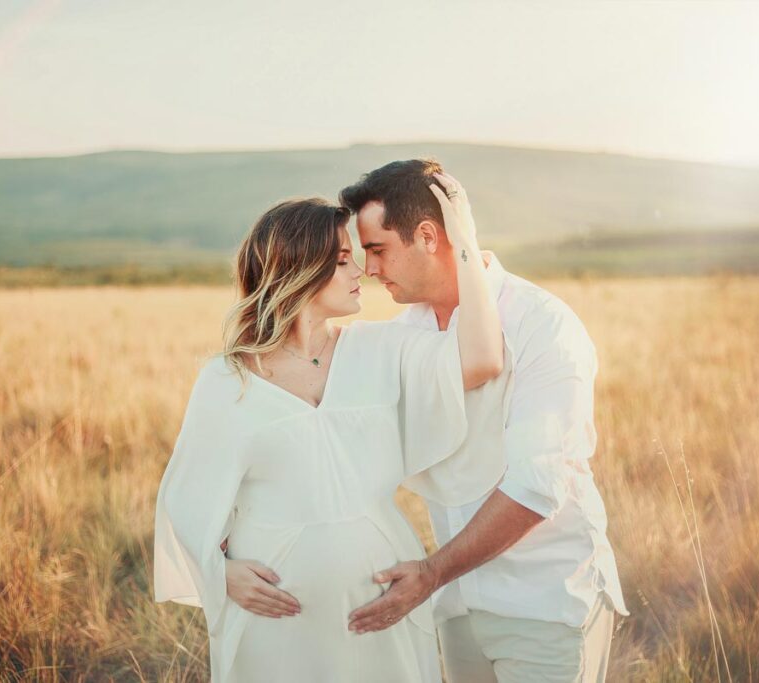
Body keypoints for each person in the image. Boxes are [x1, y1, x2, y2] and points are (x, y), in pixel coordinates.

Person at [154, 178, 511, 682]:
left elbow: (481, 359)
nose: (361, 270)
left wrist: (465, 239)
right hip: (276, 617)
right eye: (343, 259)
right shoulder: (226, 379)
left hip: (380, 601)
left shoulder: (380, 349)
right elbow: (185, 498)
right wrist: (219, 573)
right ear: (299, 269)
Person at [339, 159, 628, 683]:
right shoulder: (407, 332)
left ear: (428, 235)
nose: (370, 269)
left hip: (545, 603)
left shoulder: (544, 325)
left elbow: (537, 487)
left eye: (378, 249)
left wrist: (430, 573)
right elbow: (344, 441)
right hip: (455, 609)